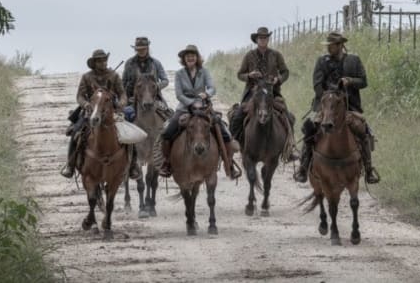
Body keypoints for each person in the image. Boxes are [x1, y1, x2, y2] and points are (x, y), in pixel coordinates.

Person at [293, 32, 380, 184]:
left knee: (363, 130)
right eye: (328, 46)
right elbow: (317, 85)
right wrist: (327, 99)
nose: (329, 48)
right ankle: (303, 167)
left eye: (331, 46)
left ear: (340, 45)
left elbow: (364, 81)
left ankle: (368, 170)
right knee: (310, 129)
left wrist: (350, 81)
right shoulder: (322, 61)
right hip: (326, 107)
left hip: (350, 106)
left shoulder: (354, 60)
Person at [157, 44, 242, 179]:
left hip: (204, 108)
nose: (190, 58)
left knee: (224, 131)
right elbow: (179, 95)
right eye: (187, 56)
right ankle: (167, 163)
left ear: (197, 57)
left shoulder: (205, 72)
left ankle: (229, 162)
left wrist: (206, 94)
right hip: (185, 108)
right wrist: (192, 102)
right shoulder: (179, 74)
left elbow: (212, 88)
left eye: (193, 55)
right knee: (167, 132)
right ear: (184, 59)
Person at [60, 49, 142, 180]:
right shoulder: (86, 77)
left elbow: (123, 94)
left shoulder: (114, 76)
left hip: (112, 111)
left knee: (129, 133)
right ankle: (70, 165)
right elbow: (80, 96)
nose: (103, 62)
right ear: (94, 63)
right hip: (91, 111)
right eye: (100, 60)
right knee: (76, 132)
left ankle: (133, 166)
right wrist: (86, 105)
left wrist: (121, 104)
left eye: (104, 60)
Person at [229, 27, 295, 157]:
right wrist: (249, 75)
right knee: (237, 116)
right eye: (261, 38)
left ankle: (289, 147)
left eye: (265, 38)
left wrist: (278, 79)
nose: (263, 40)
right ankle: (233, 143)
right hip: (253, 93)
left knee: (289, 116)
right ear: (257, 40)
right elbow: (239, 74)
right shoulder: (249, 55)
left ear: (268, 39)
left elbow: (285, 72)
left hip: (272, 92)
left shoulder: (276, 55)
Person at [121, 36, 172, 121]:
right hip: (132, 98)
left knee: (169, 114)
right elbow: (123, 82)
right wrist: (124, 97)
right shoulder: (129, 63)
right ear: (135, 49)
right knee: (124, 117)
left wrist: (155, 86)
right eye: (138, 49)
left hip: (154, 97)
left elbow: (165, 80)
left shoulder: (156, 63)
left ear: (147, 48)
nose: (141, 51)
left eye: (143, 49)